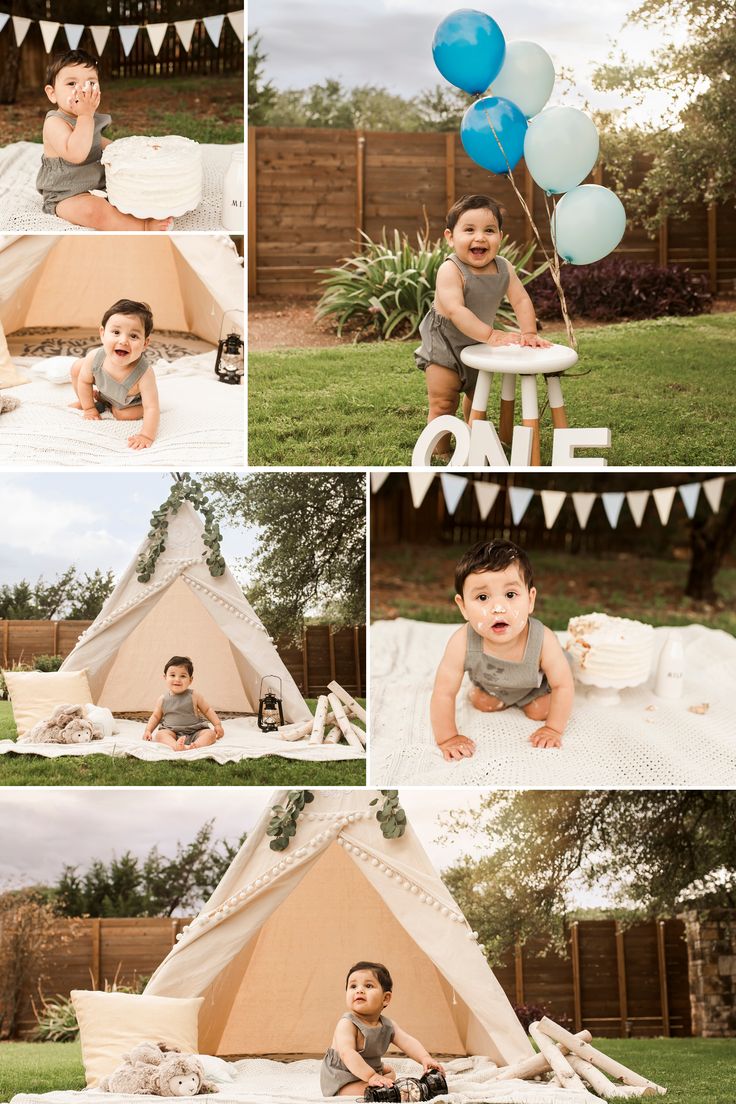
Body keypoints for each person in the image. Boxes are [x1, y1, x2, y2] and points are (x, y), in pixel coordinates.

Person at [415, 193, 551, 457]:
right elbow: (455, 310)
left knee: (476, 400)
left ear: (500, 236)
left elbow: (521, 300)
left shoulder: (504, 268)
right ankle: (441, 451)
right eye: (469, 230)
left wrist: (529, 332)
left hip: (478, 345)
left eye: (489, 230)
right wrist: (489, 334)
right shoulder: (450, 269)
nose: (479, 237)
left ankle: (474, 443)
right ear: (450, 237)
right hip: (445, 344)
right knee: (444, 401)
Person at [431, 539, 574, 759]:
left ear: (530, 599)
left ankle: (528, 704)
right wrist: (448, 737)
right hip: (492, 688)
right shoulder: (461, 642)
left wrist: (553, 729)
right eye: (482, 597)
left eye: (510, 595)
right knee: (482, 703)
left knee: (541, 712)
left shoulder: (542, 640)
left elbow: (563, 684)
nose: (498, 608)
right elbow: (444, 692)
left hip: (533, 689)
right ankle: (490, 695)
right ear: (463, 607)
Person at [36, 49, 173, 231]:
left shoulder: (89, 119)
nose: (82, 89)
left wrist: (127, 152)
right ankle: (144, 226)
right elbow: (76, 154)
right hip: (67, 194)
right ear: (52, 93)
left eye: (91, 83)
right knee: (94, 211)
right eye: (71, 83)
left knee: (132, 187)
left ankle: (147, 208)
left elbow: (97, 141)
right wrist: (85, 115)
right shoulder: (55, 122)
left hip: (99, 184)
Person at [320, 962, 445, 1097]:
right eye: (353, 986)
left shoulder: (388, 1025)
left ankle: (380, 1083)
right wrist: (371, 1076)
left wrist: (425, 1058)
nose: (359, 990)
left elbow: (408, 1041)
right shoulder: (347, 1023)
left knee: (390, 1073)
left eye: (368, 986)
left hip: (370, 1070)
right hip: (343, 1077)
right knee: (372, 1092)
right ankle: (377, 1087)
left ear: (385, 998)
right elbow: (347, 1053)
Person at [69, 299, 160, 450]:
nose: (123, 341)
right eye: (116, 332)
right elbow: (84, 382)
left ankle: (107, 405)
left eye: (134, 336)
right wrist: (89, 409)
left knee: (122, 414)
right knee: (77, 368)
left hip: (127, 403)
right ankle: (95, 403)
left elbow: (151, 407)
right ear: (102, 334)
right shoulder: (95, 357)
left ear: (145, 343)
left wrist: (146, 435)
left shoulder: (144, 373)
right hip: (107, 392)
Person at [143, 656, 225, 751]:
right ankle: (176, 746)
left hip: (195, 731)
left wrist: (217, 725)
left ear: (190, 680)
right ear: (165, 677)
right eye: (172, 675)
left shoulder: (194, 695)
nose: (177, 679)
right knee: (160, 735)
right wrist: (148, 731)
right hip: (171, 731)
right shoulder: (163, 699)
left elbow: (207, 710)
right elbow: (156, 717)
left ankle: (196, 745)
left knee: (210, 734)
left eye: (183, 676)